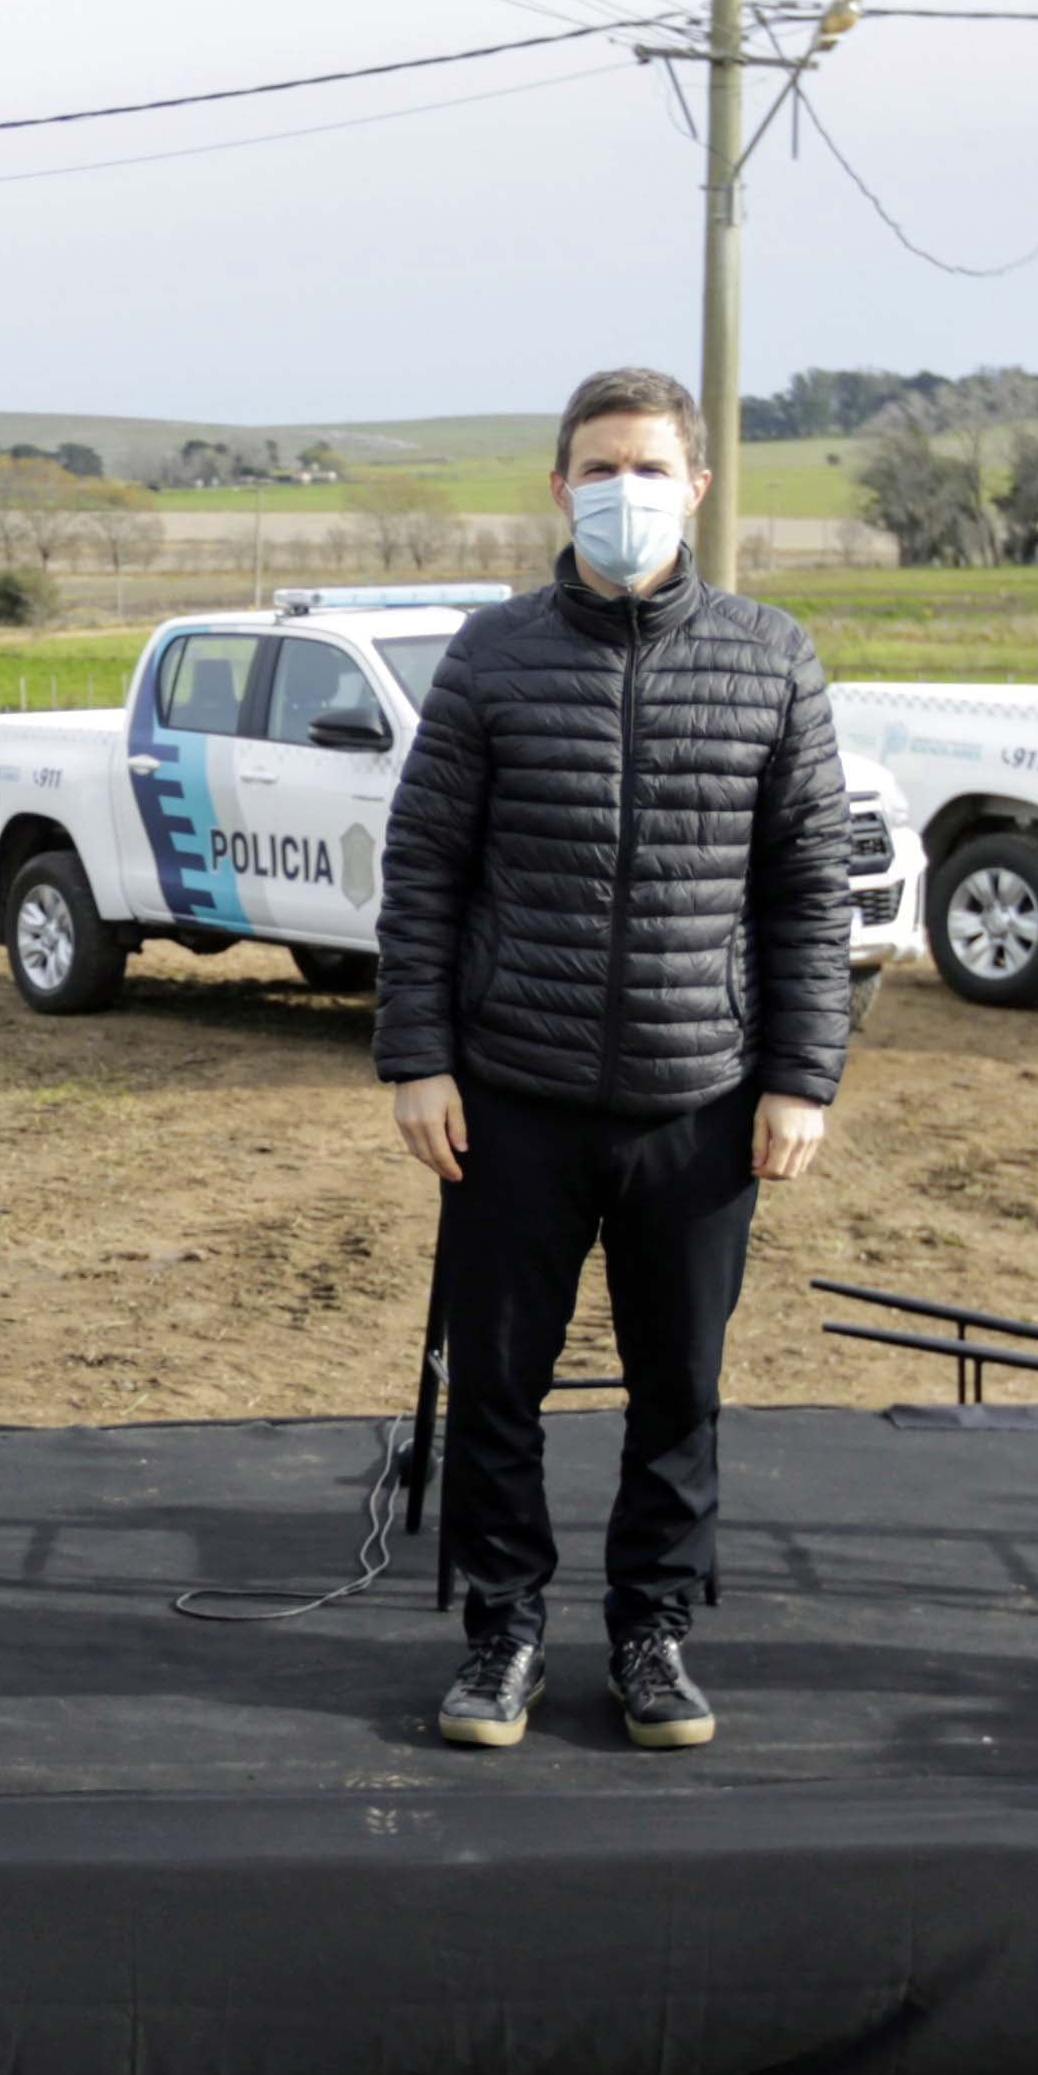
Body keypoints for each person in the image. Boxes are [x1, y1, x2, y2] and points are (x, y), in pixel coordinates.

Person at [374, 366, 850, 1752]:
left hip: (698, 1102)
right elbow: (424, 867)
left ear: (698, 485)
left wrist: (801, 1075)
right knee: (499, 1380)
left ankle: (651, 1627)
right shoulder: (492, 654)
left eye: (650, 466)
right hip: (510, 1093)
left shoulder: (772, 655)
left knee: (677, 1383)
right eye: (600, 466)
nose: (624, 490)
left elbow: (807, 885)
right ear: (558, 483)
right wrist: (417, 1053)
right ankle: (502, 1630)